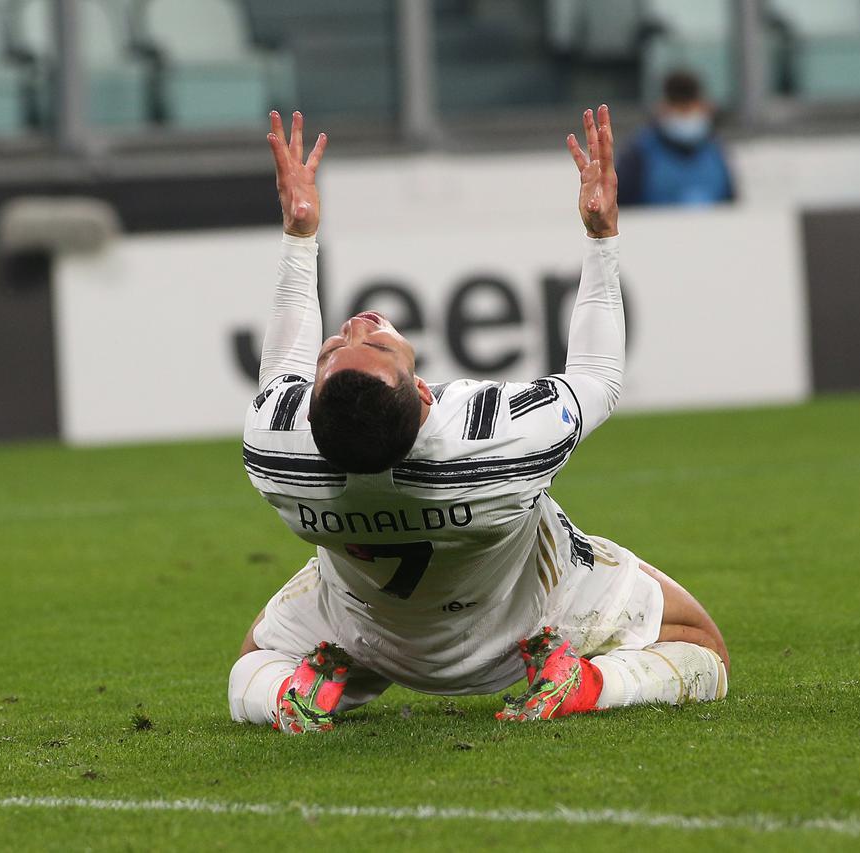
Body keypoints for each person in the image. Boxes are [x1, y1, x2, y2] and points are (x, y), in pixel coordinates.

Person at [229, 105, 729, 734]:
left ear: (307, 406)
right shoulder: (496, 441)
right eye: (368, 343)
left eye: (337, 346)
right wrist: (602, 237)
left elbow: (279, 369)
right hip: (530, 619)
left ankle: (291, 696)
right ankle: (589, 683)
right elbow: (598, 378)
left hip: (365, 628)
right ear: (425, 395)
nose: (357, 324)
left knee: (252, 665)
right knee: (699, 645)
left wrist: (299, 236)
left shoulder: (278, 454)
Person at [617, 70, 736, 208]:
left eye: (689, 109)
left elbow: (730, 204)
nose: (686, 116)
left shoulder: (715, 150)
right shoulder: (638, 153)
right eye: (680, 109)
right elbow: (622, 209)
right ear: (663, 107)